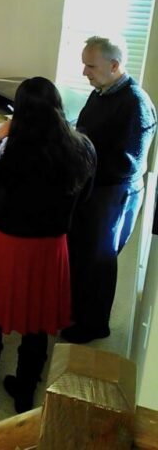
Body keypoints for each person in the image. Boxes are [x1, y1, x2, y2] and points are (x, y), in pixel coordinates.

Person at [0, 77, 95, 413]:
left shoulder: (13, 153)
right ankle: (24, 391)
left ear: (19, 113)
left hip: (8, 244)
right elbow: (86, 197)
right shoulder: (83, 148)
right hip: (49, 247)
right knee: (38, 320)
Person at [62, 36, 157, 344]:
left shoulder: (136, 104)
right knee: (81, 250)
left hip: (114, 194)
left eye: (90, 65)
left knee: (99, 259)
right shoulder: (101, 92)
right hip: (92, 186)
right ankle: (76, 309)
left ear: (114, 65)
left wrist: (81, 158)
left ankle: (94, 325)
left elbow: (126, 164)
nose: (84, 72)